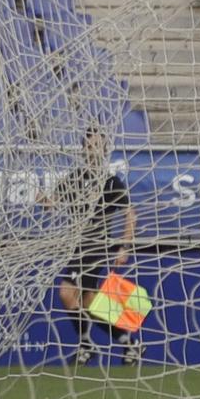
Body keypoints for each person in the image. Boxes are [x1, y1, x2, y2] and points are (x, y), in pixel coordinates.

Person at [52, 130, 140, 366]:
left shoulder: (111, 182)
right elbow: (52, 203)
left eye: (98, 145)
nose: (93, 150)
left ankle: (85, 345)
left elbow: (130, 214)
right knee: (90, 303)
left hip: (96, 249)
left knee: (66, 293)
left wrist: (124, 246)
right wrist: (43, 200)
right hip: (77, 248)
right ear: (83, 149)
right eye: (89, 145)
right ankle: (127, 343)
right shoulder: (74, 178)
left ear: (104, 151)